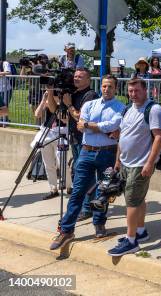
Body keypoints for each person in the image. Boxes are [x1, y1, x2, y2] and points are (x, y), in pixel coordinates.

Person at [50, 75, 124, 250]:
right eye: (104, 86)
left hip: (108, 154)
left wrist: (92, 126)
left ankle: (99, 224)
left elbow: (113, 125)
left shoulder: (120, 107)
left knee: (103, 192)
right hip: (86, 152)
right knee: (78, 191)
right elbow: (81, 125)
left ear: (116, 89)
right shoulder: (89, 105)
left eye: (110, 87)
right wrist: (98, 126)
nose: (106, 89)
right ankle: (67, 230)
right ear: (101, 87)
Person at [107, 78, 161, 256]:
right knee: (138, 199)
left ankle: (131, 240)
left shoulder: (153, 109)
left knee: (131, 201)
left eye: (137, 91)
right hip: (125, 162)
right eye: (130, 91)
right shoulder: (127, 109)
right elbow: (122, 136)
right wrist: (118, 160)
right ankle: (140, 231)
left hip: (140, 164)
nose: (133, 94)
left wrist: (149, 162)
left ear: (145, 91)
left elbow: (159, 137)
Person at [47, 68, 98, 213]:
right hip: (75, 139)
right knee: (79, 172)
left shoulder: (90, 95)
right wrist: (50, 92)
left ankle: (88, 207)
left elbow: (81, 118)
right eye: (75, 76)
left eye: (80, 77)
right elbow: (55, 112)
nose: (76, 79)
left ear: (88, 80)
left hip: (86, 141)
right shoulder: (72, 93)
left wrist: (69, 105)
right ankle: (86, 204)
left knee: (85, 173)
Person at [33, 89, 72, 199]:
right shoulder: (47, 102)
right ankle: (53, 188)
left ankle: (69, 186)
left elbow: (64, 120)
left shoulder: (65, 104)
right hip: (47, 133)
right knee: (48, 163)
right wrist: (43, 100)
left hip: (62, 133)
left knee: (62, 162)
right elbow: (37, 114)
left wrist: (58, 105)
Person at [0, 58, 13, 124]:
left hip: (5, 89)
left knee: (4, 106)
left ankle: (4, 121)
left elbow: (8, 72)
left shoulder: (5, 63)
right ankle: (3, 121)